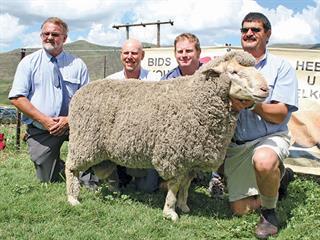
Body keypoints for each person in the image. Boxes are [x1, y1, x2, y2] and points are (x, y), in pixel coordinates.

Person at [222, 12, 298, 239]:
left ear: (268, 34)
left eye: (255, 29)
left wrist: (251, 105)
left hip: (268, 137)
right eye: (245, 30)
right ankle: (279, 182)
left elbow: (280, 115)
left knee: (263, 161)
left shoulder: (280, 68)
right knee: (239, 210)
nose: (249, 34)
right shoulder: (229, 66)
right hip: (237, 145)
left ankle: (269, 213)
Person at [8, 17, 90, 183]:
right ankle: (60, 166)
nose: (50, 37)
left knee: (93, 151)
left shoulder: (78, 65)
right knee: (48, 179)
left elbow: (87, 100)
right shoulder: (28, 63)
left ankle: (91, 178)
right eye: (46, 33)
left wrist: (69, 119)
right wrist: (45, 121)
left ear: (64, 38)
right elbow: (17, 98)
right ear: (41, 35)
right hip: (42, 127)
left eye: (55, 34)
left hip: (74, 125)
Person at [106, 38, 160, 193]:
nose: (130, 57)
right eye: (126, 53)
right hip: (116, 138)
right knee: (113, 186)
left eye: (134, 53)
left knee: (147, 188)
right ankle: (115, 172)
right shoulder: (111, 81)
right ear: (121, 55)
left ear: (142, 56)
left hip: (144, 142)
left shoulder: (154, 81)